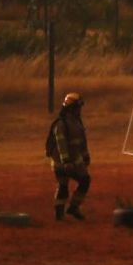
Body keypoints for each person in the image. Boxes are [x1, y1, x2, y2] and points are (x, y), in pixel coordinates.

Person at [46, 92, 91, 221]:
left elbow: (82, 141)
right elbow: (61, 144)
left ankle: (73, 207)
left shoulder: (77, 122)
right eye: (77, 107)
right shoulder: (61, 124)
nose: (79, 109)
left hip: (74, 160)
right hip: (61, 162)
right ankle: (59, 213)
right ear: (70, 108)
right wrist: (66, 162)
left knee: (85, 180)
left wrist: (85, 156)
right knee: (63, 185)